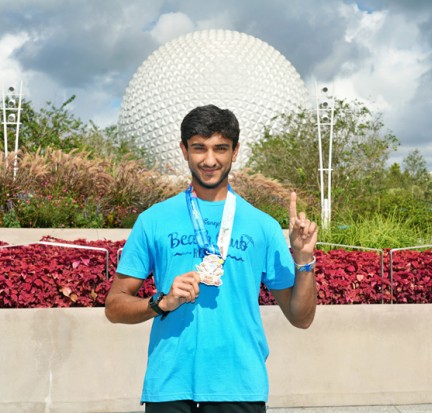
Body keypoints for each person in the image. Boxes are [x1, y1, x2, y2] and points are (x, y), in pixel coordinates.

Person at [105, 104, 318, 413]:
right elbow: (114, 307)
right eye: (199, 148)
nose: (209, 160)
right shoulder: (153, 220)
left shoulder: (263, 226)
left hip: (239, 387)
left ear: (235, 151)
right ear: (184, 150)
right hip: (169, 387)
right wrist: (161, 303)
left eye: (220, 148)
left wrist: (304, 259)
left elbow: (301, 318)